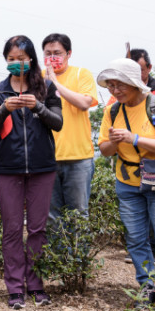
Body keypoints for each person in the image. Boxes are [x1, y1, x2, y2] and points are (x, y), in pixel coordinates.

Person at [97, 58, 155, 311]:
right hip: (127, 183)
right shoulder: (112, 111)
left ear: (135, 83)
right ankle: (148, 287)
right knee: (135, 239)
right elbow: (105, 150)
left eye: (120, 85)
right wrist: (115, 141)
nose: (115, 90)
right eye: (111, 86)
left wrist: (134, 138)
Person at [0, 35, 62, 309]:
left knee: (38, 229)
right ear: (5, 61)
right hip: (8, 169)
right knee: (12, 229)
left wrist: (37, 106)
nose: (17, 63)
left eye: (22, 58)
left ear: (31, 60)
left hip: (42, 168)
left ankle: (37, 284)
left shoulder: (47, 87)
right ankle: (15, 288)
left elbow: (58, 122)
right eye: (11, 59)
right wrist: (4, 110)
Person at [40, 33, 99, 239]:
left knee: (78, 214)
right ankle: (57, 257)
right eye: (48, 53)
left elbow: (84, 103)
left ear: (69, 53)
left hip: (78, 157)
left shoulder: (81, 74)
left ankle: (78, 257)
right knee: (51, 216)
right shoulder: (38, 77)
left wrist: (54, 83)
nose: (52, 58)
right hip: (47, 158)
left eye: (57, 53)